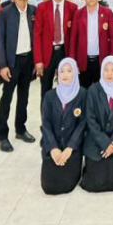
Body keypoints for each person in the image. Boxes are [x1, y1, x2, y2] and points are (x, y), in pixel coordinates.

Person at [0, 0, 37, 151]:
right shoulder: (5, 12)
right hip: (11, 62)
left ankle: (20, 129)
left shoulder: (34, 11)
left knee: (24, 97)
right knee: (7, 98)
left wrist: (36, 61)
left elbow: (37, 37)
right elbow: (0, 40)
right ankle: (1, 136)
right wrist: (2, 65)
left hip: (28, 60)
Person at [39, 58, 86, 194]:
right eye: (62, 71)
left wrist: (70, 148)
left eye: (69, 71)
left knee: (66, 184)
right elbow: (46, 124)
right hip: (53, 146)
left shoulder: (82, 94)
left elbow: (82, 124)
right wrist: (53, 148)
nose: (65, 74)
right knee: (48, 185)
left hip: (72, 148)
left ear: (75, 73)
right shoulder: (49, 96)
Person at [80, 55, 113, 192]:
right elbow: (90, 120)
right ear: (102, 71)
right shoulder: (93, 90)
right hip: (96, 141)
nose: (109, 74)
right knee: (96, 180)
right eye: (106, 70)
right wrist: (105, 143)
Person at [34, 0, 77, 105]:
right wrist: (38, 60)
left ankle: (65, 115)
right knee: (45, 89)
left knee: (67, 86)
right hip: (47, 53)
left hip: (65, 51)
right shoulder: (42, 7)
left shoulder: (72, 8)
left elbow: (74, 35)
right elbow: (37, 35)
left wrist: (73, 58)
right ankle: (46, 117)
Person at [68, 0, 113, 87]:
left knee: (101, 90)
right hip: (83, 60)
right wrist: (72, 59)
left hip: (102, 59)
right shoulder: (78, 14)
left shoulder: (107, 13)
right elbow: (73, 39)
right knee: (84, 90)